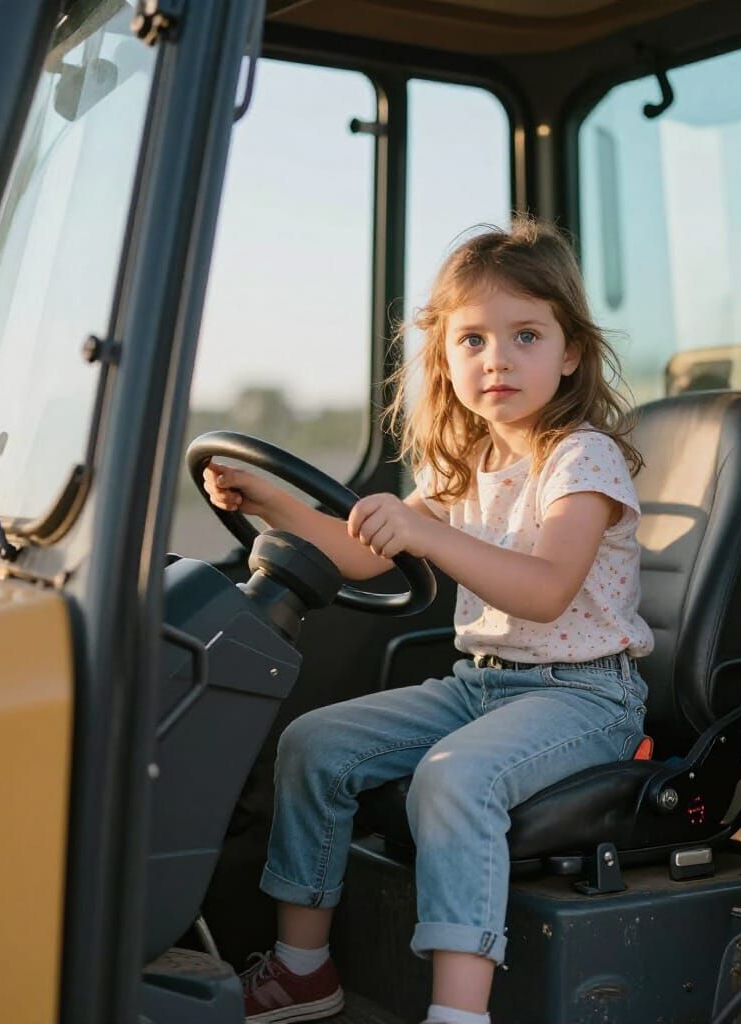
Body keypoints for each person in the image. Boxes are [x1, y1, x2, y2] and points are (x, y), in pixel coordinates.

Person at [202, 217, 654, 1024]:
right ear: (444, 358)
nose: (498, 359)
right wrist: (268, 500)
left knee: (454, 777)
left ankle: (458, 1012)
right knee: (316, 743)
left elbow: (548, 589)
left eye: (525, 335)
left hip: (586, 698)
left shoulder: (582, 458)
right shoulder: (469, 460)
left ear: (571, 351)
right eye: (473, 340)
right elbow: (360, 553)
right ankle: (304, 969)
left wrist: (429, 533)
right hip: (481, 688)